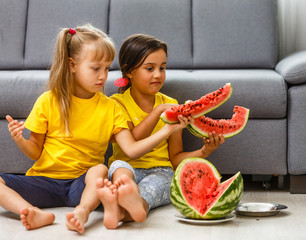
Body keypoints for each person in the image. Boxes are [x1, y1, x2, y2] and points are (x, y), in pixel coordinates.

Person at [0, 26, 188, 234]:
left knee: (100, 170)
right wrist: (20, 140)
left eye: (107, 69)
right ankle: (30, 211)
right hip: (45, 181)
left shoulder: (111, 107)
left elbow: (131, 149)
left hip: (84, 185)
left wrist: (167, 131)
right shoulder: (48, 101)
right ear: (73, 65)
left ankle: (82, 212)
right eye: (96, 68)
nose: (103, 76)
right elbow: (35, 151)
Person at [96, 34, 225, 229]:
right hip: (127, 165)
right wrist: (157, 112)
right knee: (121, 169)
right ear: (129, 72)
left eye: (162, 68)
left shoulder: (171, 104)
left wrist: (204, 152)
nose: (158, 74)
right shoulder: (117, 103)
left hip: (161, 171)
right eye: (150, 68)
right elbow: (133, 140)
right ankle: (126, 192)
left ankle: (128, 208)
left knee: (154, 190)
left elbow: (175, 158)